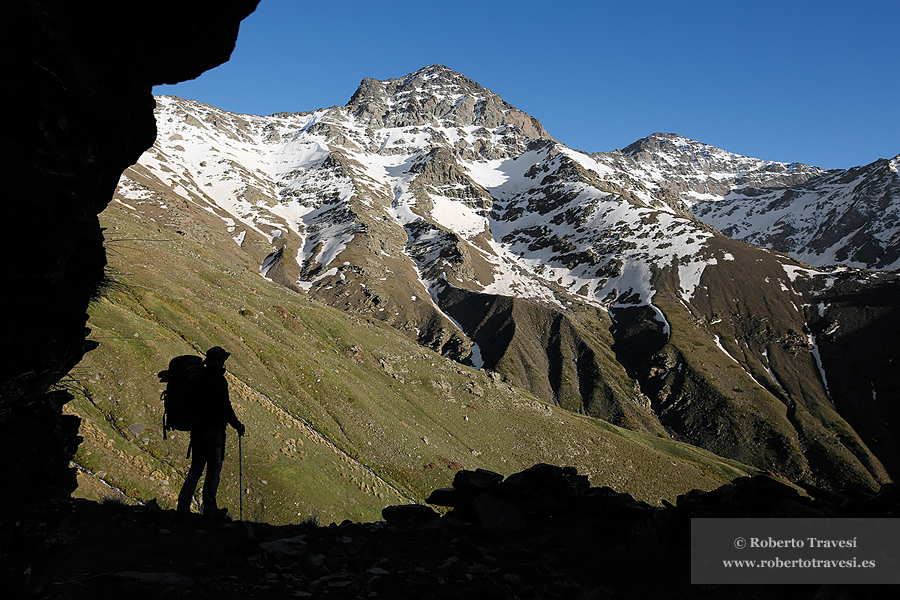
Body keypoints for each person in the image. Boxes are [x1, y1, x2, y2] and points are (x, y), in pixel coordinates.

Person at [177, 346, 245, 517]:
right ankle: (210, 509)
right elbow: (225, 406)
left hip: (198, 431)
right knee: (214, 469)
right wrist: (237, 425)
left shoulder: (198, 379)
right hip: (214, 431)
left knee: (196, 468)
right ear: (220, 362)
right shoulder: (218, 381)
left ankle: (183, 506)